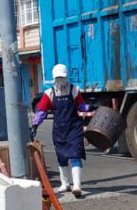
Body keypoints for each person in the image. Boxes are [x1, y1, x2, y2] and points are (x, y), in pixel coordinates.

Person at [31, 63, 94, 197]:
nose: (60, 80)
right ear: (54, 78)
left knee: (75, 155)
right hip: (59, 129)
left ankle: (77, 186)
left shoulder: (74, 90)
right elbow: (41, 111)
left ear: (66, 77)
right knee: (62, 157)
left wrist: (89, 107)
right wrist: (35, 124)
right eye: (58, 78)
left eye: (62, 77)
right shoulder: (49, 94)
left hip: (74, 128)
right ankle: (65, 184)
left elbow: (81, 106)